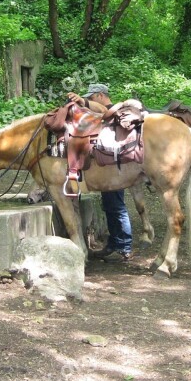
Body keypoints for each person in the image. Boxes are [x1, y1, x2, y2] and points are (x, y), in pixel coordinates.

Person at [66, 83, 133, 262]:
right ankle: (115, 243)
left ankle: (125, 246)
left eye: (92, 97)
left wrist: (82, 101)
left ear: (101, 95)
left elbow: (101, 108)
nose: (89, 101)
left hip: (113, 169)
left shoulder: (111, 111)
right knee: (110, 206)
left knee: (117, 207)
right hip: (106, 169)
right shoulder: (105, 115)